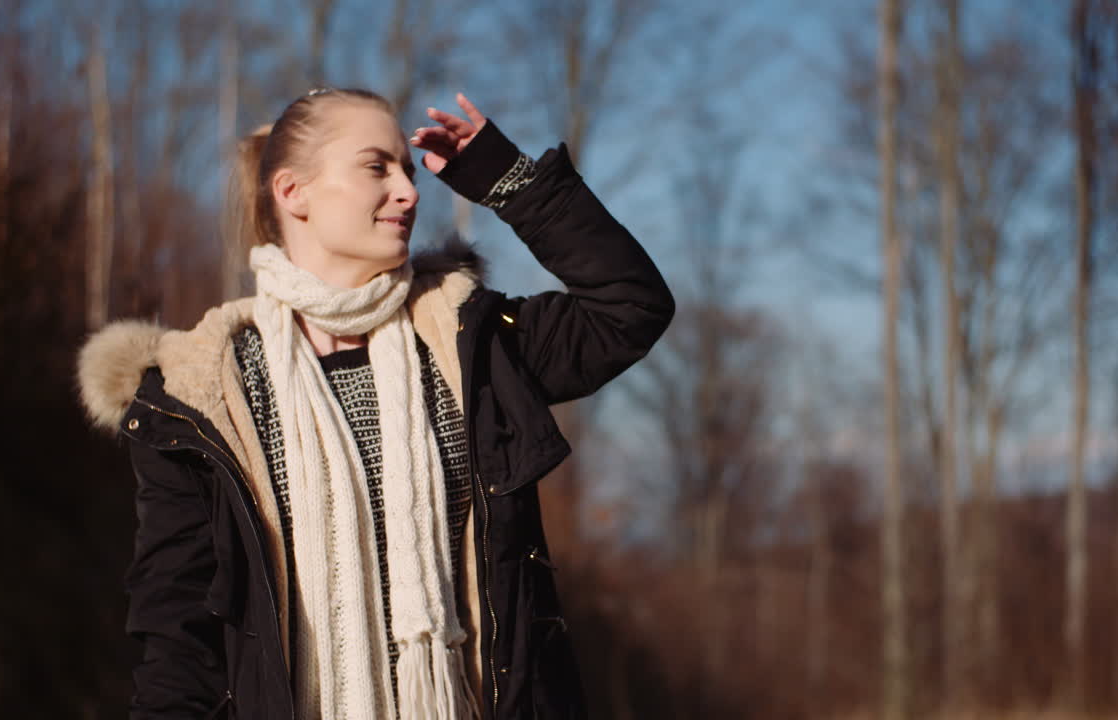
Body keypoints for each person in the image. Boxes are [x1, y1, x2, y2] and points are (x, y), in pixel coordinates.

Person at [77, 87, 674, 720]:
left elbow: (629, 308)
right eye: (375, 167)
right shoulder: (202, 393)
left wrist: (510, 179)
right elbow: (178, 634)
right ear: (292, 192)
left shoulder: (470, 343)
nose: (409, 192)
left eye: (408, 170)